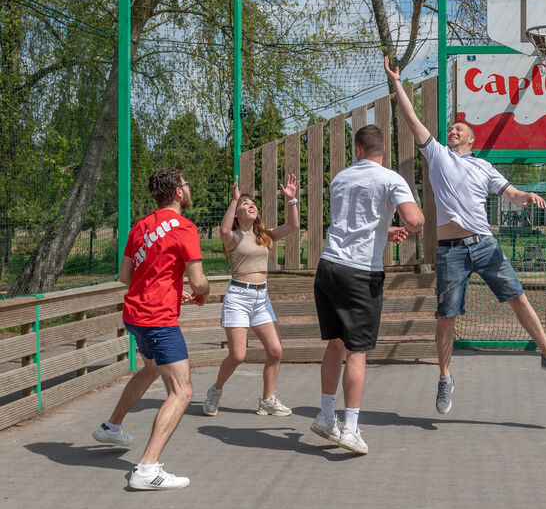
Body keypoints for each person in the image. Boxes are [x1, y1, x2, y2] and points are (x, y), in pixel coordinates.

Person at [385, 55, 546, 417]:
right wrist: (397, 83)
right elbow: (412, 121)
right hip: (450, 251)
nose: (453, 131)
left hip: (485, 245)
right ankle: (445, 378)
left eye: (459, 129)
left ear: (472, 138)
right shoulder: (438, 156)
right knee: (447, 316)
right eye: (451, 128)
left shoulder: (484, 166)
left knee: (518, 299)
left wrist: (526, 197)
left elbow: (510, 193)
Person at [91, 168, 209, 490]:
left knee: (150, 370)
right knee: (182, 391)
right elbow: (199, 282)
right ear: (179, 193)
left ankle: (111, 427)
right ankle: (147, 468)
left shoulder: (140, 226)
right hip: (158, 320)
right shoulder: (185, 228)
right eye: (186, 183)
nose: (188, 187)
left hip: (136, 315)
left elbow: (126, 278)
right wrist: (203, 292)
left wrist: (171, 290)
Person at [309, 124, 424, 454]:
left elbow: (354, 223)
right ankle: (352, 429)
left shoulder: (341, 179)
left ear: (357, 150)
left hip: (328, 267)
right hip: (360, 275)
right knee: (357, 351)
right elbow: (414, 221)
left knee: (335, 344)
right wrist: (411, 223)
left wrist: (383, 231)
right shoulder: (390, 178)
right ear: (382, 150)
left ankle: (326, 416)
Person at [201, 174, 300, 417]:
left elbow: (292, 226)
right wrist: (235, 200)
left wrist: (291, 200)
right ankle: (216, 390)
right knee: (237, 355)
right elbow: (224, 229)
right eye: (245, 204)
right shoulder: (233, 237)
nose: (250, 205)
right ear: (237, 213)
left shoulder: (264, 235)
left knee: (275, 351)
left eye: (252, 203)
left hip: (261, 298)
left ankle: (267, 400)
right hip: (238, 298)